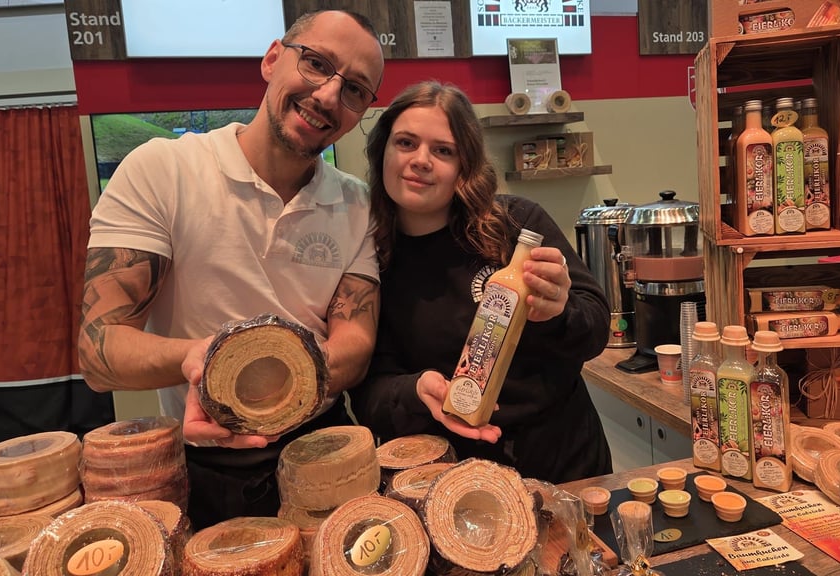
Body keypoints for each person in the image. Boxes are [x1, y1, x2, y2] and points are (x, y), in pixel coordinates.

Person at [77, 10, 385, 529]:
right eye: (316, 64)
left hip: (327, 451)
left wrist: (273, 382)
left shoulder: (357, 204)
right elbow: (99, 350)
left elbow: (354, 342)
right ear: (271, 59)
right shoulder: (161, 170)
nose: (330, 96)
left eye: (354, 89)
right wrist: (208, 360)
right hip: (204, 458)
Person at [350, 81, 612, 483]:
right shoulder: (369, 257)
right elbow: (368, 392)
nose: (421, 160)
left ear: (464, 165)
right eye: (406, 143)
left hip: (562, 459)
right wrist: (415, 390)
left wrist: (559, 312)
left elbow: (595, 329)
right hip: (447, 475)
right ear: (382, 150)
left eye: (443, 150)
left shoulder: (517, 226)